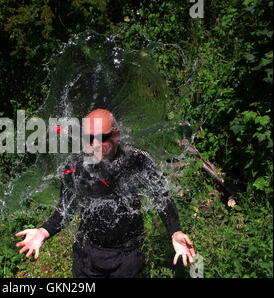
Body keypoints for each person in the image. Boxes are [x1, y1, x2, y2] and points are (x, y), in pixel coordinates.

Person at [15, 109, 195, 277]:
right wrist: (44, 231)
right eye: (87, 137)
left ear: (116, 136)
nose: (92, 144)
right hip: (87, 255)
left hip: (126, 257)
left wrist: (175, 231)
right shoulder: (76, 165)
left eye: (100, 137)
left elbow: (161, 197)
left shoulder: (136, 161)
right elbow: (65, 209)